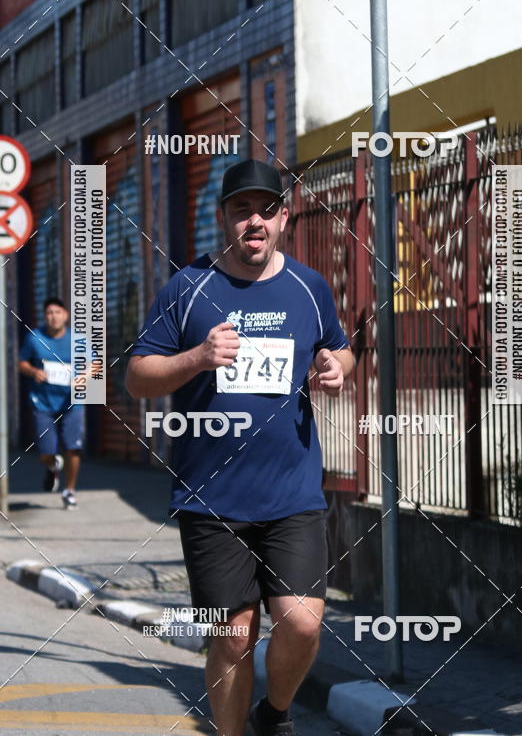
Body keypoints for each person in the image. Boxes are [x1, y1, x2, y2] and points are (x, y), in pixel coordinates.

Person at [126, 159, 354, 736]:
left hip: (293, 491)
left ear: (284, 217)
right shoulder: (188, 287)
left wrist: (336, 368)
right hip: (212, 499)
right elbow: (136, 378)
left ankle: (273, 716)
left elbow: (339, 349)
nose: (255, 220)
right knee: (231, 636)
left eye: (266, 209)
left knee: (301, 624)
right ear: (223, 218)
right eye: (240, 209)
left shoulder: (309, 286)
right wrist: (197, 358)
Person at [19, 297, 84, 509]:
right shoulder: (34, 338)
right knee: (46, 452)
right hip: (43, 403)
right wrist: (33, 371)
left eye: (57, 312)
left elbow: (94, 364)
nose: (53, 316)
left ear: (65, 315)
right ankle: (52, 465)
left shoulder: (78, 340)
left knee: (73, 448)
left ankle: (70, 491)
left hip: (72, 402)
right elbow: (21, 363)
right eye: (49, 313)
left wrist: (83, 377)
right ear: (44, 316)